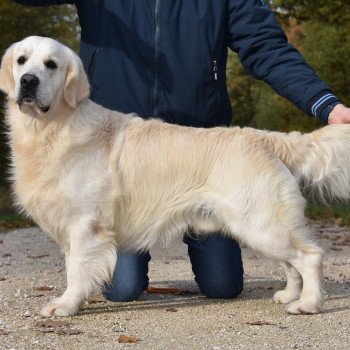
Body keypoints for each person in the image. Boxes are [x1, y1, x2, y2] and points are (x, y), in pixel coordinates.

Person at [13, 0, 350, 302]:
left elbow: (267, 48)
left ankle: (299, 270)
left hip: (205, 152)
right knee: (121, 289)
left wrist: (327, 106)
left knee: (223, 285)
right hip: (117, 149)